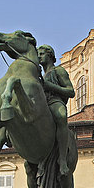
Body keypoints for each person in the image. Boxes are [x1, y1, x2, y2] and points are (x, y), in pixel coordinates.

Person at [37, 45, 75, 177]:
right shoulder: (39, 75)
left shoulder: (58, 71)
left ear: (50, 56)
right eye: (38, 54)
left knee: (61, 116)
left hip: (54, 101)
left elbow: (71, 92)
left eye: (42, 54)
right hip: (41, 104)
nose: (39, 56)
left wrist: (50, 86)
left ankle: (62, 159)